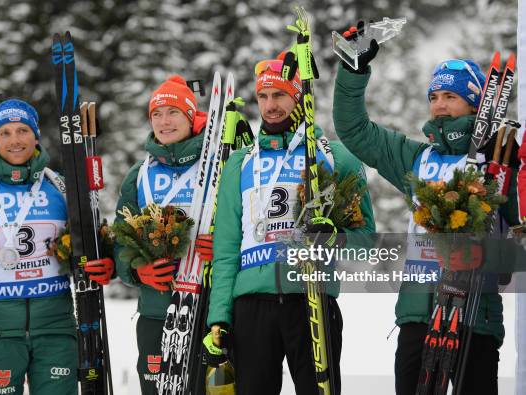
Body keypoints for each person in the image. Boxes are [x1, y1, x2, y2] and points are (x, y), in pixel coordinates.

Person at [332, 29, 522, 394]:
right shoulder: (416, 159)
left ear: (474, 104)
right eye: (434, 96)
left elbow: (517, 236)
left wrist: (492, 247)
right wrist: (353, 73)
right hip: (418, 313)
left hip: (474, 316)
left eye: (451, 96)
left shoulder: (499, 163)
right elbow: (355, 131)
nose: (439, 105)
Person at [204, 52, 375, 395]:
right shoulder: (240, 163)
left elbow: (367, 239)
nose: (270, 105)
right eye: (264, 96)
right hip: (251, 306)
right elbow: (224, 252)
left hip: (311, 300)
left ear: (299, 96)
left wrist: (335, 238)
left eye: (280, 94)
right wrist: (218, 318)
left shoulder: (333, 157)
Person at [0, 98, 113, 395]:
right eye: (5, 132)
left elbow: (95, 243)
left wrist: (107, 263)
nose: (14, 140)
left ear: (36, 136)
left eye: (22, 131)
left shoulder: (61, 188)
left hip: (56, 328)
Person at [112, 75, 209, 394]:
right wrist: (137, 271)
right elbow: (121, 242)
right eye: (157, 114)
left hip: (207, 307)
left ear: (191, 115)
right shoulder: (138, 174)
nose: (164, 121)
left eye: (174, 112)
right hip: (156, 310)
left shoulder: (217, 164)